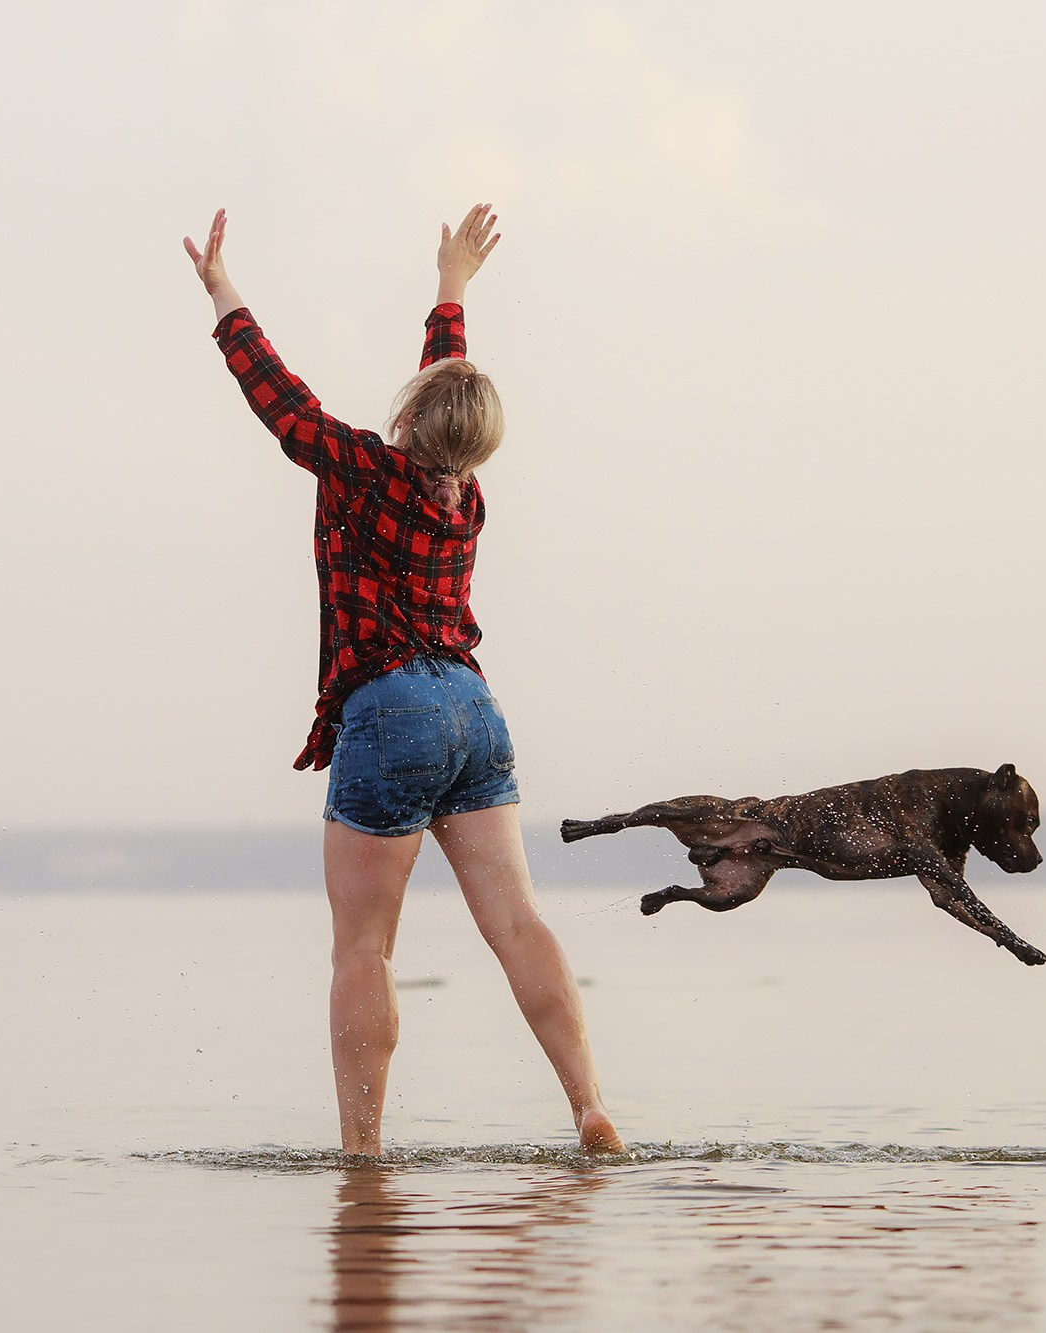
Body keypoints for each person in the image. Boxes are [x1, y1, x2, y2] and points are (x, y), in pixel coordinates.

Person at [182, 203, 623, 1156]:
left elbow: (281, 402)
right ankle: (589, 1104)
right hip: (474, 709)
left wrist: (223, 293)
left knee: (363, 948)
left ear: (412, 416)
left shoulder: (362, 469)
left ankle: (363, 1152)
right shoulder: (464, 496)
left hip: (389, 712)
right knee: (517, 923)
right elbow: (451, 393)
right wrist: (451, 288)